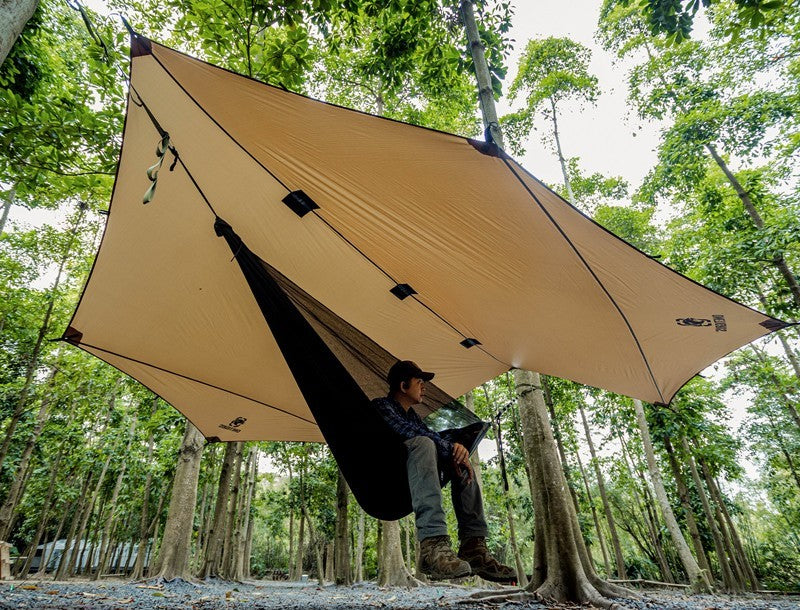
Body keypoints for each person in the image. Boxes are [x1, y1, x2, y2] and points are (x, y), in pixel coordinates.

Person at [371, 360, 516, 582]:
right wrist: (448, 447)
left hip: (417, 475)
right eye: (419, 382)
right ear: (403, 386)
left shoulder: (413, 416)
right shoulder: (382, 406)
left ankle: (473, 547)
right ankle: (432, 546)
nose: (424, 387)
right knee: (425, 443)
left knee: (461, 460)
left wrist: (456, 450)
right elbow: (406, 432)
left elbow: (432, 435)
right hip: (387, 479)